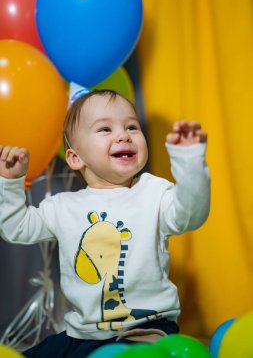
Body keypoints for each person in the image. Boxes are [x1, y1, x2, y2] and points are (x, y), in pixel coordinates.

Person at [0, 89, 210, 357]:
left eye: (132, 126)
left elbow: (191, 214)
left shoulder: (154, 192)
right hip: (81, 334)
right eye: (105, 129)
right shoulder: (64, 206)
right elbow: (16, 228)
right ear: (76, 158)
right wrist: (10, 182)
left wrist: (190, 161)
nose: (123, 135)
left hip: (144, 330)